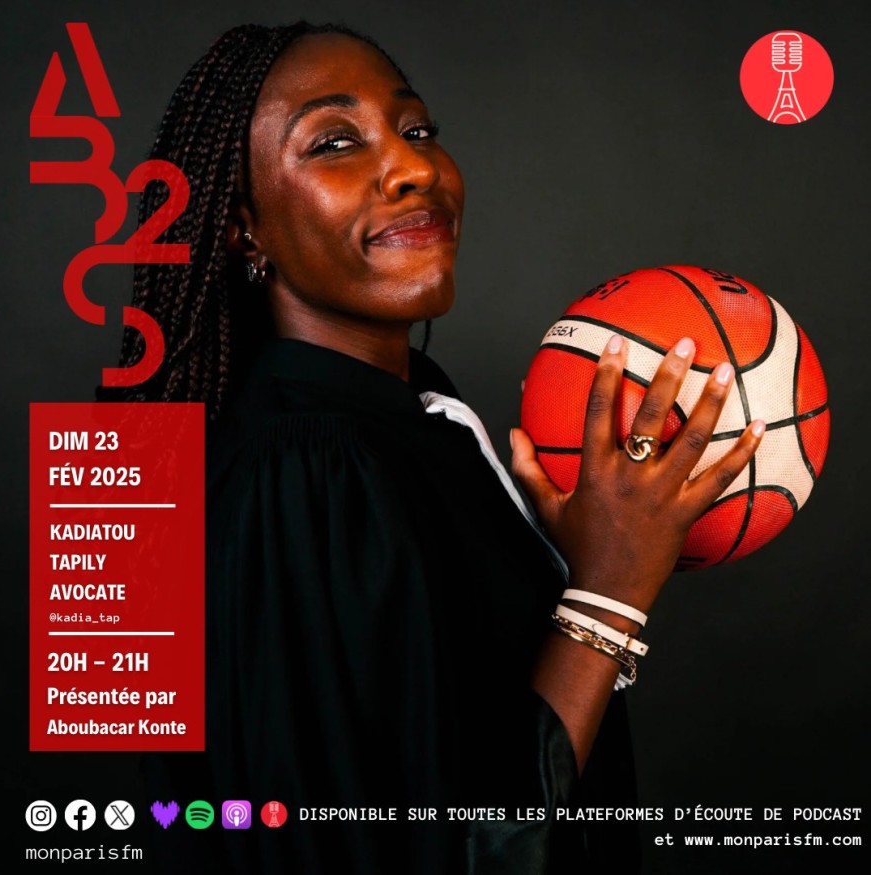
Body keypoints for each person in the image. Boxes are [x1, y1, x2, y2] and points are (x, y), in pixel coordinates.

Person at [102, 21, 765, 874]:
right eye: (333, 142)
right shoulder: (302, 467)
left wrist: (578, 561)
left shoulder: (404, 415)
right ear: (242, 227)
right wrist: (607, 596)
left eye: (416, 129)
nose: (413, 166)